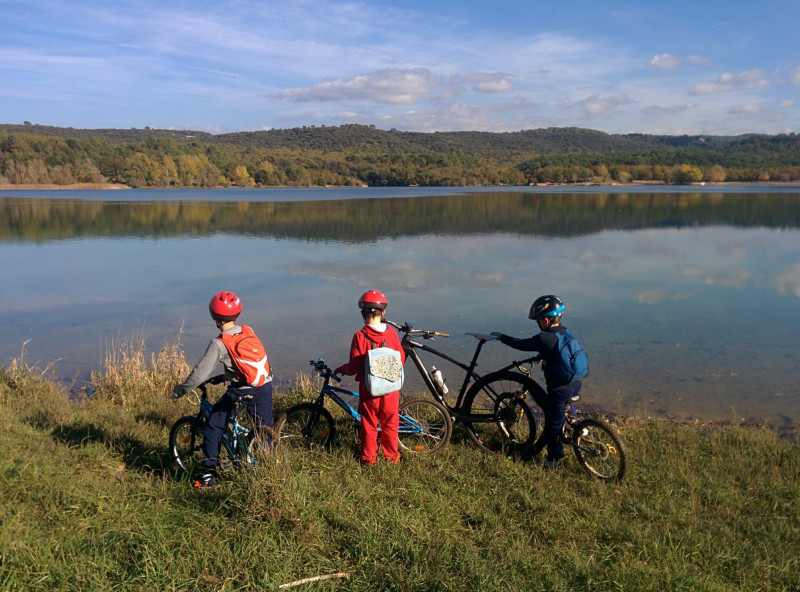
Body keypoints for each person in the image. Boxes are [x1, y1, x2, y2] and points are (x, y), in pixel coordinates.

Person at [173, 291, 273, 488]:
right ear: (237, 313)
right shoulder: (248, 330)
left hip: (243, 391)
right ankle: (270, 467)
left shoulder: (219, 344)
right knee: (264, 430)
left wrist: (182, 389)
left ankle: (209, 475)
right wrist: (226, 376)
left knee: (214, 424)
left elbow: (200, 374)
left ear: (213, 316)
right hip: (265, 385)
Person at [491, 295, 583, 469]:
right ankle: (578, 426)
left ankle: (553, 459)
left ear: (547, 320)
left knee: (553, 425)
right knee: (564, 410)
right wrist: (543, 356)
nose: (539, 325)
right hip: (575, 382)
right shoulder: (564, 332)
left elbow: (521, 344)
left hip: (559, 389)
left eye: (539, 321)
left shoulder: (544, 338)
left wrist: (501, 336)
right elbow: (561, 352)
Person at [334, 290, 406, 466]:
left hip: (370, 388)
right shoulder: (391, 334)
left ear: (362, 313)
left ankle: (369, 459)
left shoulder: (360, 336)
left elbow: (353, 367)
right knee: (390, 422)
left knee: (369, 423)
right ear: (383, 313)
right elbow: (401, 358)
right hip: (391, 387)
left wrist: (341, 369)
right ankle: (392, 457)